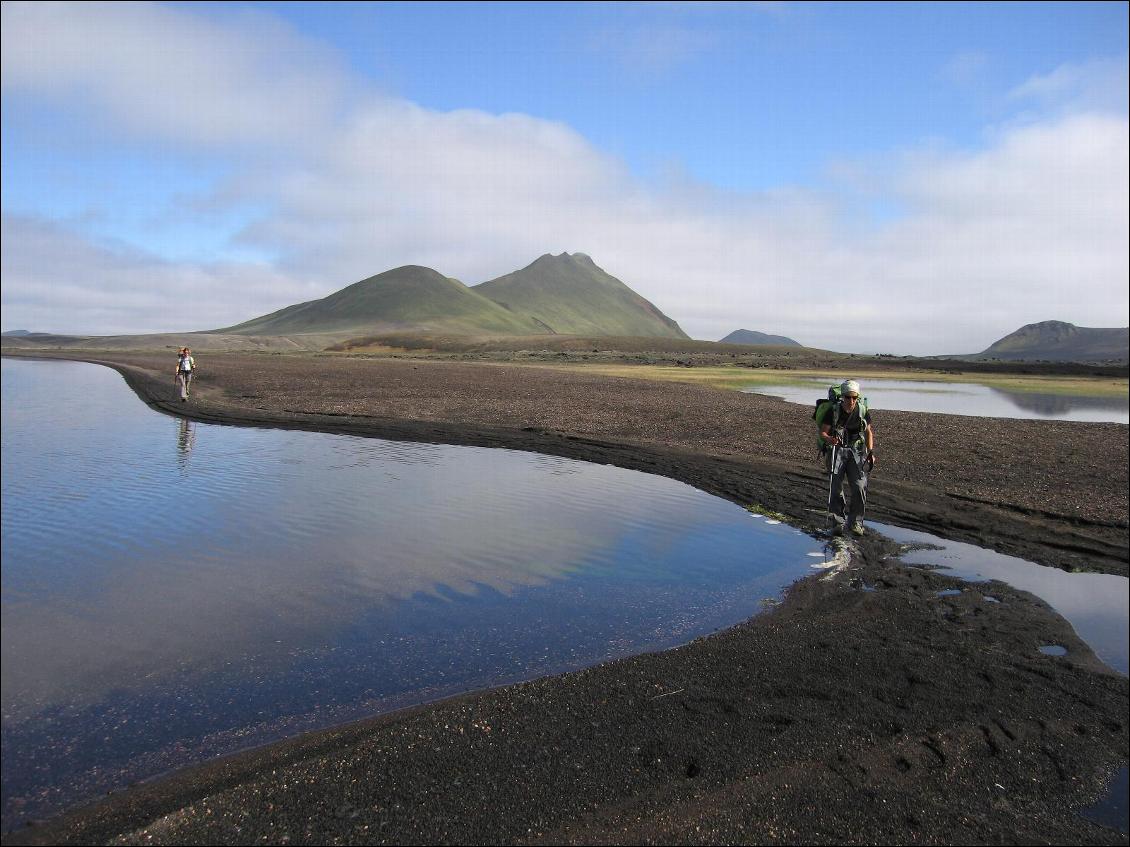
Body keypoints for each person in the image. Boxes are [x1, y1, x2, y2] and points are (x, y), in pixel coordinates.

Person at [817, 379, 876, 537]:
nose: (851, 401)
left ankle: (856, 523)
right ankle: (838, 523)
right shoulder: (833, 411)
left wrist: (870, 452)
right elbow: (823, 432)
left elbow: (869, 432)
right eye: (848, 397)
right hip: (836, 451)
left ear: (857, 397)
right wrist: (829, 439)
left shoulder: (862, 411)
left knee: (859, 486)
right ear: (843, 397)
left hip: (856, 452)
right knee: (835, 488)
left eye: (854, 398)